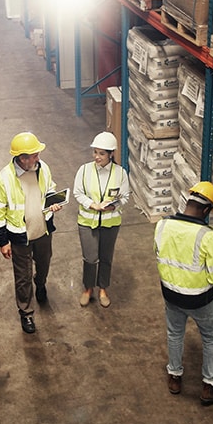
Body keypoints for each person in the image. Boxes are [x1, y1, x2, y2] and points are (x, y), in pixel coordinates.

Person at [154, 181, 213, 406]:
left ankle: (175, 378)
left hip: (170, 294)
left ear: (188, 202)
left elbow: (160, 256)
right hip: (200, 299)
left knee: (175, 334)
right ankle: (208, 386)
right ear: (207, 210)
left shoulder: (163, 225)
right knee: (211, 337)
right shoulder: (206, 235)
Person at [0, 132, 64, 334]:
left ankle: (40, 284)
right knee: (22, 277)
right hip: (19, 237)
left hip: (43, 231)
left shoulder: (43, 168)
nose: (38, 158)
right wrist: (2, 242)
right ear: (22, 158)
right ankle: (27, 313)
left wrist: (54, 203)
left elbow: (50, 189)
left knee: (44, 264)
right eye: (34, 155)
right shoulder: (3, 179)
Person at [72, 132, 129, 308]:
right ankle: (88, 288)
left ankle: (103, 288)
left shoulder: (120, 173)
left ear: (111, 154)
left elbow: (125, 196)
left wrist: (114, 205)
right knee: (90, 258)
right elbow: (77, 193)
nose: (97, 157)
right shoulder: (84, 170)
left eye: (101, 154)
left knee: (106, 257)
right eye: (95, 152)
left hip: (110, 224)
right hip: (87, 222)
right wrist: (92, 205)